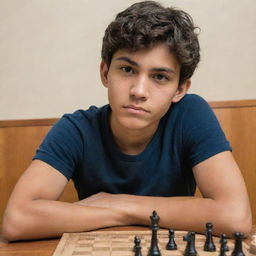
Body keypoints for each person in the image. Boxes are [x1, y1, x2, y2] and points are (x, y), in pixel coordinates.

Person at [2, 1, 252, 241]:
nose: (139, 91)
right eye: (127, 70)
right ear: (105, 73)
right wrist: (122, 213)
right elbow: (17, 220)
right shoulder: (76, 129)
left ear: (180, 90)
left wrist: (120, 204)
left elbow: (235, 217)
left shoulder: (190, 114)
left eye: (160, 77)